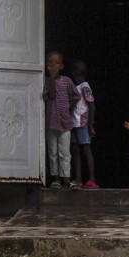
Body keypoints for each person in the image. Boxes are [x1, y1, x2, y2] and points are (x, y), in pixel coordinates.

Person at [43, 51, 79, 189]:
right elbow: (51, 95)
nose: (53, 65)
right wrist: (52, 77)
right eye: (50, 62)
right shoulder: (47, 82)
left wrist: (68, 106)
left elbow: (76, 95)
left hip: (65, 123)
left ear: (62, 66)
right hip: (51, 124)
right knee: (53, 153)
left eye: (56, 62)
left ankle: (67, 180)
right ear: (46, 65)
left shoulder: (67, 81)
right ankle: (56, 179)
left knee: (64, 153)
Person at [70, 61, 98, 188]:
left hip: (83, 123)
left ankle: (92, 179)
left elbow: (92, 106)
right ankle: (78, 179)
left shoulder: (85, 87)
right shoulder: (76, 87)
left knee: (86, 150)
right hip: (74, 123)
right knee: (75, 150)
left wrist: (90, 125)